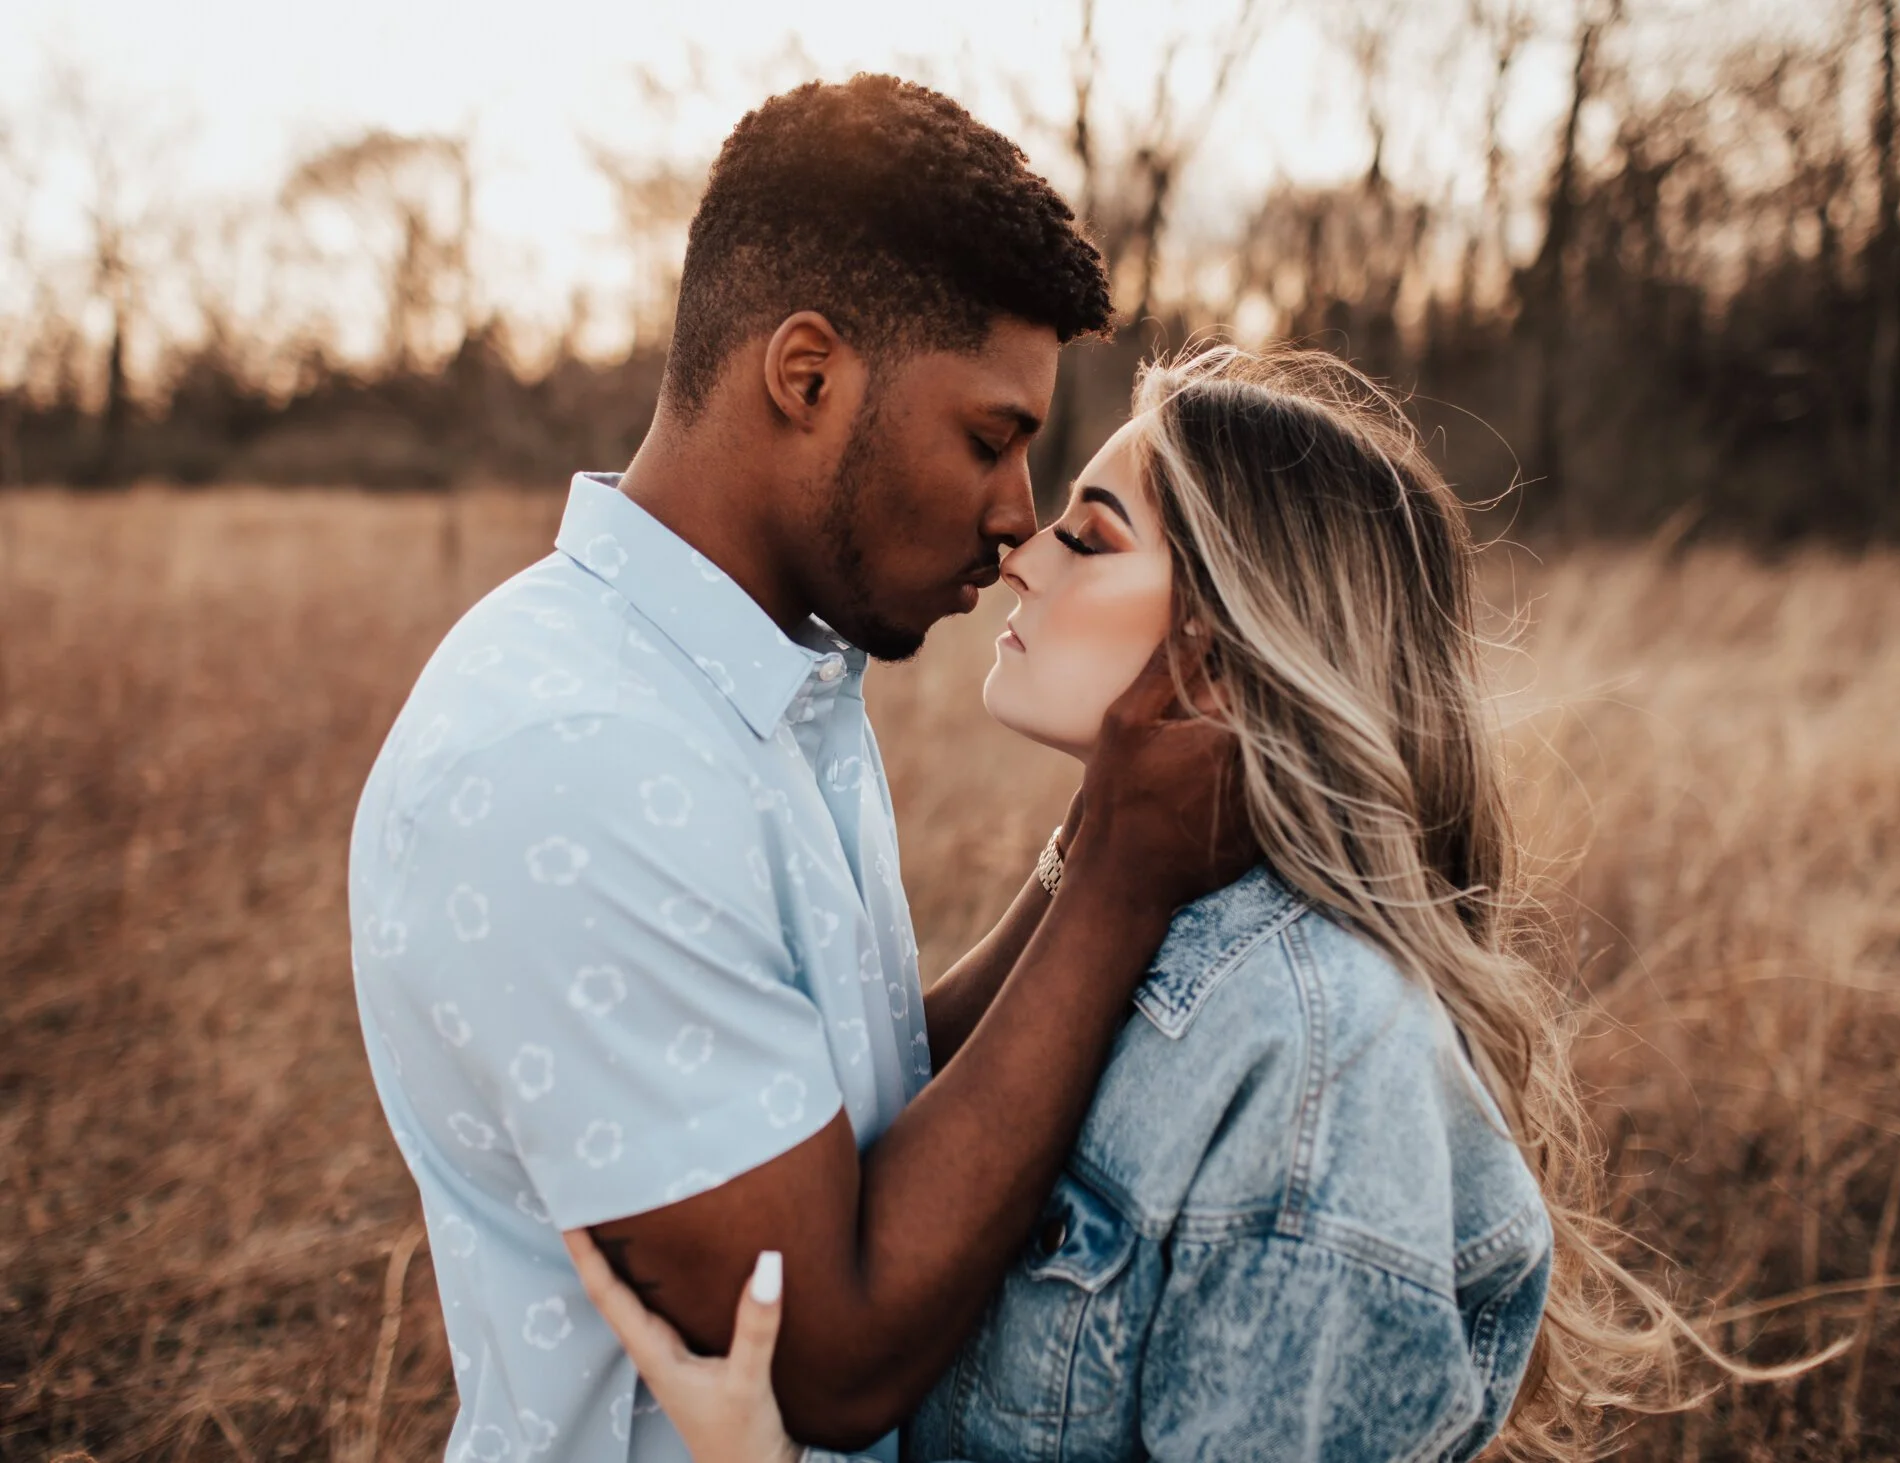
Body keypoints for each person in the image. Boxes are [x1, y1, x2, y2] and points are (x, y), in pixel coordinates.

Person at [566, 346, 1803, 1461]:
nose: (1017, 556)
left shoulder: (1321, 1057)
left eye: (1089, 538)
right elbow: (878, 1107)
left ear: (1227, 640)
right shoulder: (1135, 941)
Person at [347, 77, 1255, 1463]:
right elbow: (829, 1354)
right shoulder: (571, 759)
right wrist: (1122, 880)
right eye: (991, 437)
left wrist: (1090, 840)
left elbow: (863, 1111)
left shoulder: (753, 680)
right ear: (808, 375)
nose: (1019, 514)